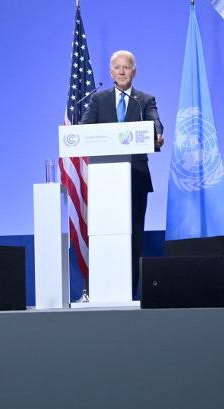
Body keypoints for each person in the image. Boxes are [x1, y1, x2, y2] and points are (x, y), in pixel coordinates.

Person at [80, 49, 164, 296]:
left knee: (134, 236)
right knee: (104, 234)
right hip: (104, 180)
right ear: (111, 72)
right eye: (117, 67)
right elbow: (85, 129)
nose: (121, 71)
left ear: (134, 71)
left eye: (126, 67)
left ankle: (130, 290)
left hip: (136, 178)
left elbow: (155, 122)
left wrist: (156, 133)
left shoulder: (144, 100)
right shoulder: (98, 100)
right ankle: (104, 289)